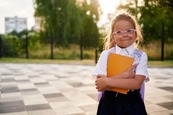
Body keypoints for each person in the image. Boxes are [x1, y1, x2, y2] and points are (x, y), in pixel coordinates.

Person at [92, 12, 149, 115]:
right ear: (113, 36)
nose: (125, 34)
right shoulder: (106, 54)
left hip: (133, 104)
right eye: (119, 32)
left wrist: (107, 82)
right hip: (109, 104)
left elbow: (136, 84)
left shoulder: (141, 56)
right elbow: (100, 84)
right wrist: (125, 75)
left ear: (135, 34)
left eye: (129, 30)